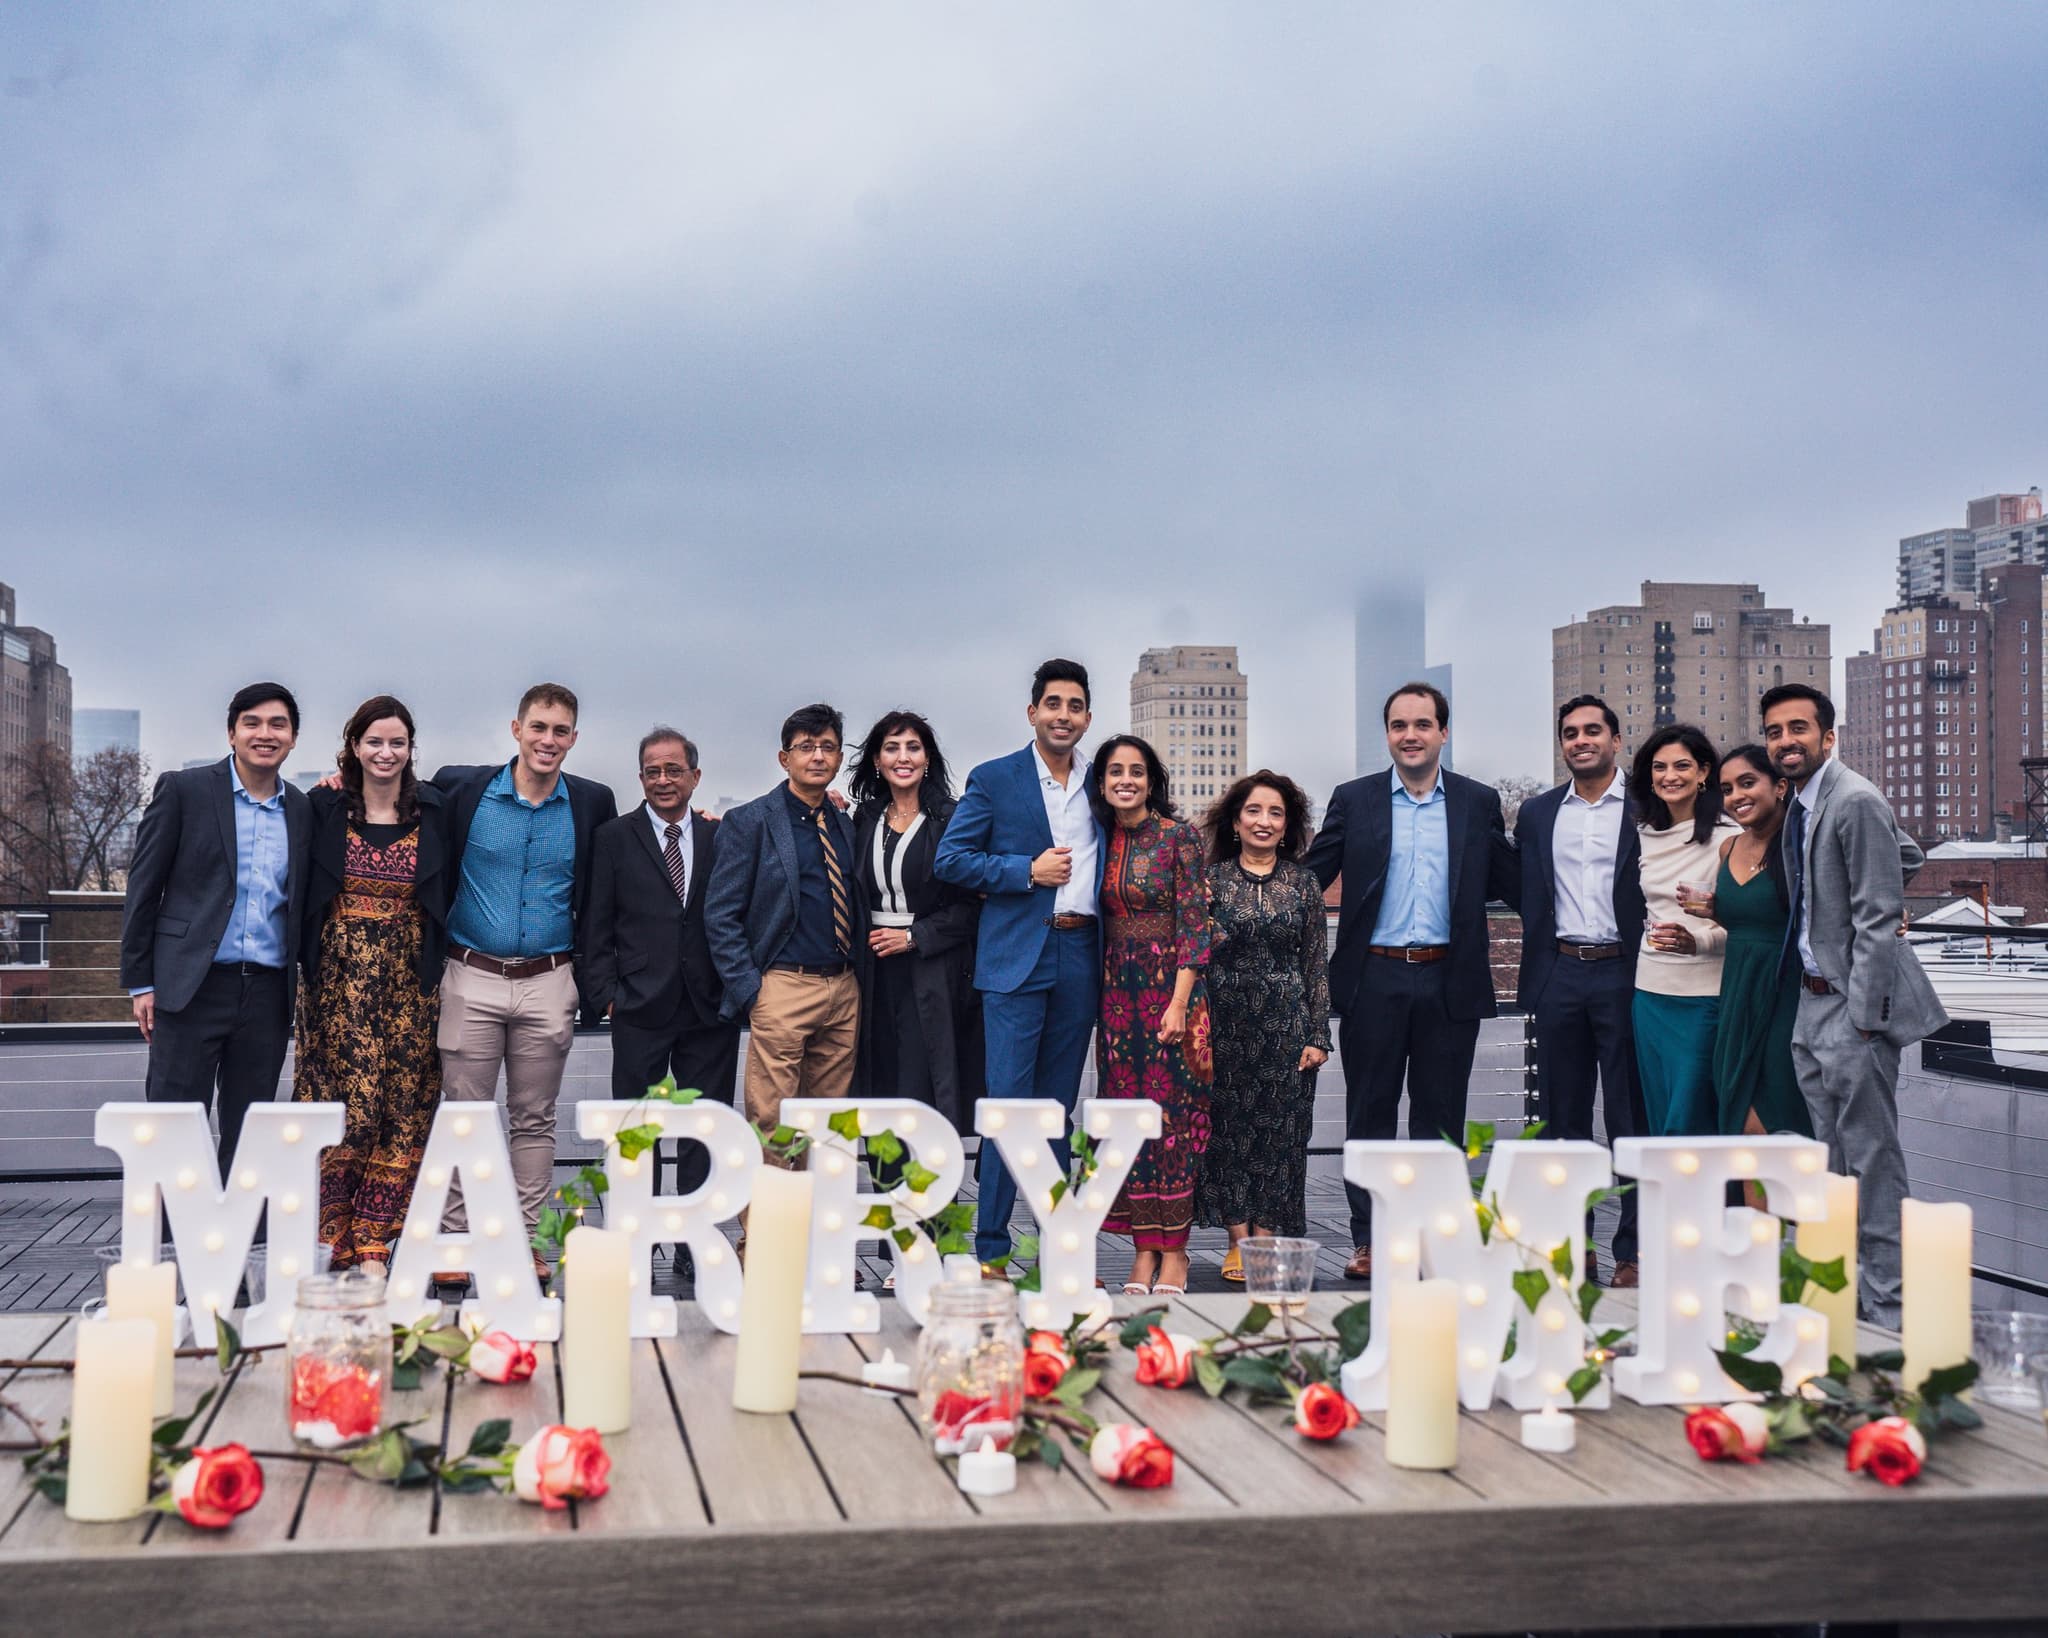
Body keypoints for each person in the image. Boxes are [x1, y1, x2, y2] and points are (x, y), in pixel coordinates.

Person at [1305, 681, 1512, 1281]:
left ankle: (1431, 1234)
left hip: (1452, 978)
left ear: (1443, 732)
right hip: (1374, 977)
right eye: (1399, 725)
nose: (1411, 735)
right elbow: (1310, 879)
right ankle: (1370, 1239)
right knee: (1369, 1115)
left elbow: (1512, 877)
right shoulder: (1355, 799)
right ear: (1388, 735)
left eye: (1423, 724)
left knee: (1440, 1118)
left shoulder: (1477, 802)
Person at [1762, 682, 1946, 1327]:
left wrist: (1865, 1015)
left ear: (1828, 736)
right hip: (1811, 1006)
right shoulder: (1803, 805)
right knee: (1831, 1167)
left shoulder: (1854, 800)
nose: (1786, 741)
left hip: (1851, 1009)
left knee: (1871, 1166)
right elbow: (1907, 857)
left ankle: (1888, 1318)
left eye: (1798, 729)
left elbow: (1878, 914)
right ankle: (1839, 1310)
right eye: (1775, 731)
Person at [432, 683, 619, 1275]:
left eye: (560, 731)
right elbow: (384, 799)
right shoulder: (462, 789)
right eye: (538, 727)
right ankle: (457, 1239)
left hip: (549, 978)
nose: (548, 740)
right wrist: (336, 783)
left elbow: (618, 868)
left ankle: (533, 1243)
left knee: (535, 1119)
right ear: (517, 729)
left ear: (574, 739)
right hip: (472, 975)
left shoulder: (592, 802)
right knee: (466, 1113)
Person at [935, 659, 1104, 1274]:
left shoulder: (1101, 782)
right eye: (1052, 704)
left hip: (1083, 954)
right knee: (1009, 1105)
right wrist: (1024, 873)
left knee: (1058, 1108)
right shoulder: (995, 778)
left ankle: (1056, 1244)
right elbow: (952, 860)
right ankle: (992, 1250)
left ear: (1088, 717)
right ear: (1032, 712)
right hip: (1014, 958)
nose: (1064, 715)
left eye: (1075, 706)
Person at [121, 683, 312, 1178]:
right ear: (231, 733)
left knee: (250, 1135)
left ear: (293, 739)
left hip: (267, 994)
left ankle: (240, 1246)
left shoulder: (304, 809)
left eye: (277, 725)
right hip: (190, 988)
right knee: (173, 1128)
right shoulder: (184, 791)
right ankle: (164, 1246)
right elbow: (144, 888)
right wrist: (141, 982)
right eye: (252, 723)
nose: (264, 734)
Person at [294, 696, 451, 1271]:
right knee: (350, 1106)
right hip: (340, 980)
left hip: (412, 980)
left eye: (398, 742)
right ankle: (330, 1233)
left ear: (411, 750)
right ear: (354, 745)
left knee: (404, 1106)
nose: (386, 753)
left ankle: (375, 1237)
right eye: (374, 742)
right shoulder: (323, 807)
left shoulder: (434, 811)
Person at [1499, 695, 1646, 1286]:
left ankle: (1632, 1251)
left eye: (1592, 731)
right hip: (1559, 971)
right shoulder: (1535, 813)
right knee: (1561, 1119)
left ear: (1615, 739)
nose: (1580, 740)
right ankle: (1571, 1244)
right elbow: (1519, 885)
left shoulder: (1647, 805)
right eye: (1569, 733)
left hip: (1629, 974)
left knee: (1631, 1116)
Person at [583, 727, 740, 1201]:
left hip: (709, 1007)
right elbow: (595, 924)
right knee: (636, 1126)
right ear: (641, 778)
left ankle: (694, 1239)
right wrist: (606, 996)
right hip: (638, 1005)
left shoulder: (722, 836)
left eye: (674, 770)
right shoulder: (611, 838)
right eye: (653, 771)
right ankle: (637, 1229)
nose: (663, 780)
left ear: (695, 776)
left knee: (704, 1126)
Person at [703, 704, 866, 1146]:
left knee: (829, 1127)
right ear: (784, 758)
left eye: (827, 748)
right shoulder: (751, 821)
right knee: (773, 1122)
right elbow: (721, 914)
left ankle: (816, 1213)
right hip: (782, 988)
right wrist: (752, 991)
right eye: (806, 747)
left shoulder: (843, 823)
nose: (818, 757)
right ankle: (770, 1218)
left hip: (844, 988)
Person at [1089, 735, 1212, 1296]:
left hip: (1172, 993)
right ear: (1102, 780)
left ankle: (1177, 1255)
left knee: (1175, 1123)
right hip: (1117, 1000)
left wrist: (1180, 1003)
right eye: (1116, 771)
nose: (1126, 781)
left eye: (1136, 771)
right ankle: (1142, 1252)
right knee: (1128, 1124)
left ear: (1151, 779)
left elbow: (1196, 924)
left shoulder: (1178, 836)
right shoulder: (1099, 836)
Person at [1194, 771, 1330, 1277]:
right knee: (1227, 1133)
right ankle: (1237, 1241)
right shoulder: (1212, 881)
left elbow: (1316, 962)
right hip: (1223, 1025)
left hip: (1286, 1028)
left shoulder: (1304, 883)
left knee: (1280, 1138)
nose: (1264, 821)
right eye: (1254, 811)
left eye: (1275, 812)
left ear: (1287, 823)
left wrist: (1319, 1034)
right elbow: (1194, 952)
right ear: (1235, 820)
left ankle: (1267, 1240)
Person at [849, 711, 983, 1130]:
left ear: (928, 759)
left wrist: (914, 937)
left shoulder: (953, 817)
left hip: (931, 967)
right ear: (876, 759)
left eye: (913, 747)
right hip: (870, 970)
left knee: (921, 1077)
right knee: (877, 1075)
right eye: (892, 747)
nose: (902, 757)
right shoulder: (864, 817)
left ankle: (926, 1184)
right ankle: (885, 1187)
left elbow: (973, 905)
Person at [1694, 745, 1813, 1139]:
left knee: (1771, 1125)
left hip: (1787, 997)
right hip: (1736, 998)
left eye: (1747, 783)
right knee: (1738, 1118)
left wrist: (1890, 914)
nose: (1735, 797)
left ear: (1780, 786)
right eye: (1726, 789)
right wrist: (1715, 911)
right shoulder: (1728, 847)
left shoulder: (1805, 842)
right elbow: (1746, 917)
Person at [1628, 724, 1739, 1137]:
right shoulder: (1642, 834)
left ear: (1703, 772)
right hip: (1650, 995)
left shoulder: (1730, 838)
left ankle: (1702, 1202)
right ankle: (1668, 1202)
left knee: (1688, 1119)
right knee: (1659, 1118)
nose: (1669, 776)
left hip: (1704, 998)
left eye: (1681, 766)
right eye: (1659, 767)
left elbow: (1751, 923)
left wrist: (1699, 941)